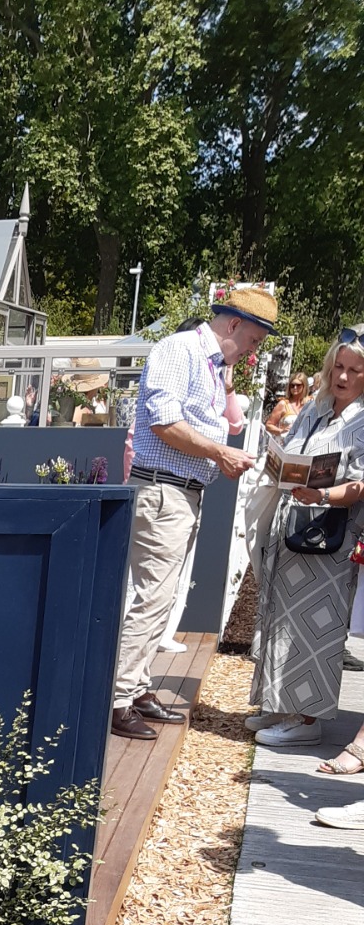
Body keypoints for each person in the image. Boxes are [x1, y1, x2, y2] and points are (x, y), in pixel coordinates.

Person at [110, 289, 275, 739]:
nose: (252, 352)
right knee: (152, 599)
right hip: (163, 491)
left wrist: (219, 450)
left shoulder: (209, 363)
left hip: (179, 493)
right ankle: (118, 699)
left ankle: (136, 688)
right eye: (254, 341)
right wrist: (220, 452)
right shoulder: (179, 350)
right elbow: (164, 423)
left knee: (161, 599)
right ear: (233, 324)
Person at [248, 332, 364, 751]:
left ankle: (307, 717)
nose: (343, 376)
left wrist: (323, 495)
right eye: (339, 366)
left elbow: (361, 485)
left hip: (331, 536)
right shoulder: (316, 408)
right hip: (293, 527)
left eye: (355, 370)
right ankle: (280, 705)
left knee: (317, 628)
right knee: (281, 621)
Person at [265, 371, 310, 438]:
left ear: (304, 386)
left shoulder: (309, 405)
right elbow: (268, 425)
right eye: (292, 385)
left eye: (298, 385)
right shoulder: (283, 404)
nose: (295, 387)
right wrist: (281, 431)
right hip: (284, 442)